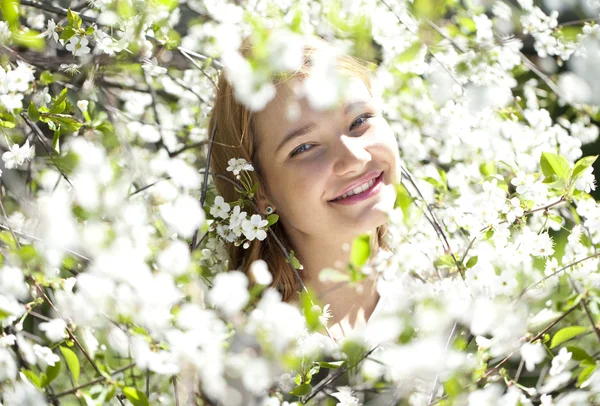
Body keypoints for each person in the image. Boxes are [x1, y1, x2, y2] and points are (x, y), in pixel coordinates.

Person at [208, 37, 401, 340]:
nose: (354, 157)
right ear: (259, 190)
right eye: (305, 147)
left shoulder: (456, 292)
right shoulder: (254, 361)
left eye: (360, 120)